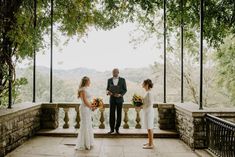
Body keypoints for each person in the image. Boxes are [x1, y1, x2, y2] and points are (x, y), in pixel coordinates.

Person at [75, 76, 96, 150]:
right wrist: (91, 107)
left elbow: (88, 99)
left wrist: (93, 105)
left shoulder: (86, 89)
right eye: (89, 81)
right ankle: (83, 143)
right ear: (86, 82)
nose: (90, 82)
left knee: (88, 124)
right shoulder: (82, 89)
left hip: (88, 108)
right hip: (84, 108)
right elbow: (84, 100)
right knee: (85, 124)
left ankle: (89, 142)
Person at [106, 68, 127, 134]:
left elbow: (125, 89)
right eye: (113, 72)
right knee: (111, 114)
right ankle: (111, 129)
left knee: (119, 114)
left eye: (115, 72)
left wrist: (120, 95)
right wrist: (108, 92)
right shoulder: (109, 80)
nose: (114, 73)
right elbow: (107, 89)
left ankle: (117, 129)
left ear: (118, 72)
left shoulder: (123, 80)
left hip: (119, 99)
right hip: (112, 99)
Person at [141, 79, 154, 149]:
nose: (142, 84)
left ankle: (151, 144)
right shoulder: (147, 92)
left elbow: (149, 103)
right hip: (146, 111)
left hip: (149, 111)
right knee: (148, 127)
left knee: (150, 127)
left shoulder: (149, 93)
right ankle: (149, 142)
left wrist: (141, 106)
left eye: (143, 83)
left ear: (147, 84)